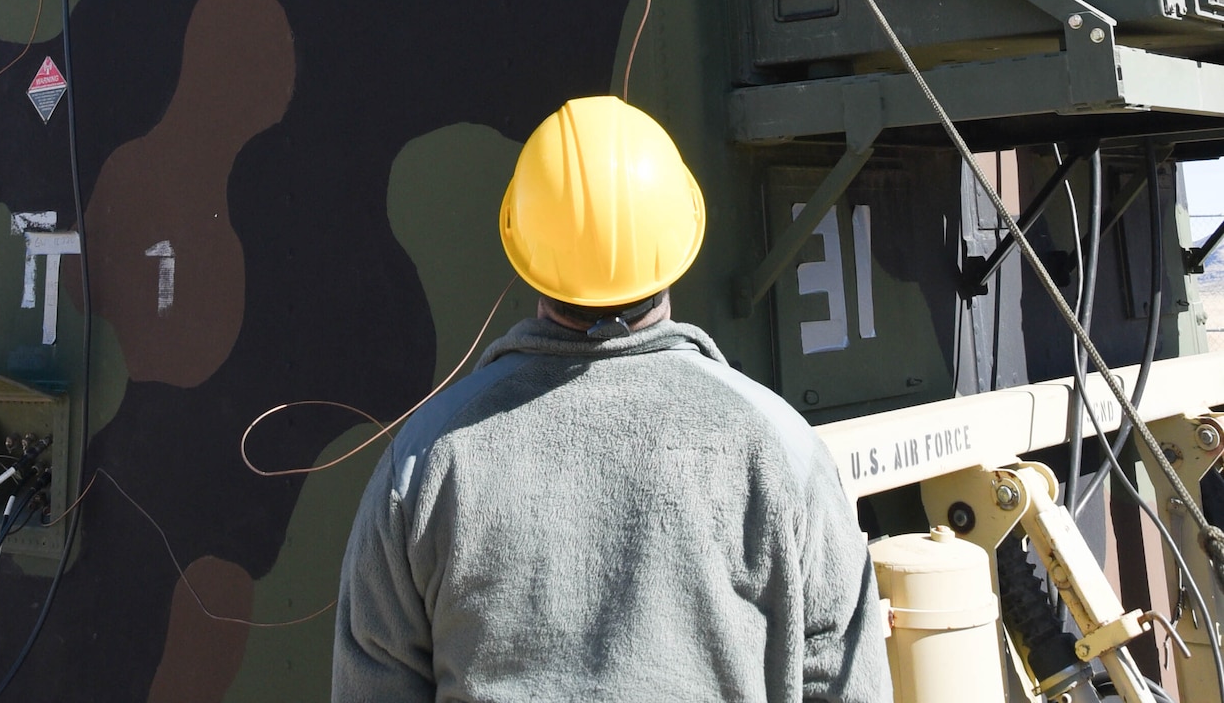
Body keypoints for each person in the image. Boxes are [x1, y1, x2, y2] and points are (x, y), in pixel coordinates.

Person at [332, 96, 890, 703]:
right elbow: (846, 682)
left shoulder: (424, 463)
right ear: (682, 237)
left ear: (523, 244)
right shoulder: (781, 450)